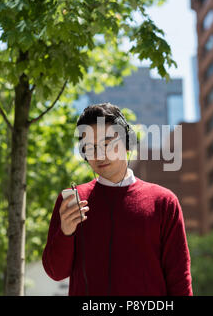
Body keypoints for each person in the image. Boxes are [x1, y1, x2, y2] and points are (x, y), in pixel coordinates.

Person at [42, 102, 193, 296]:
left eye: (107, 143)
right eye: (90, 147)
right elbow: (55, 272)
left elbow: (179, 278)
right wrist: (66, 232)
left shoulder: (163, 202)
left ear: (127, 143)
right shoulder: (72, 202)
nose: (99, 154)